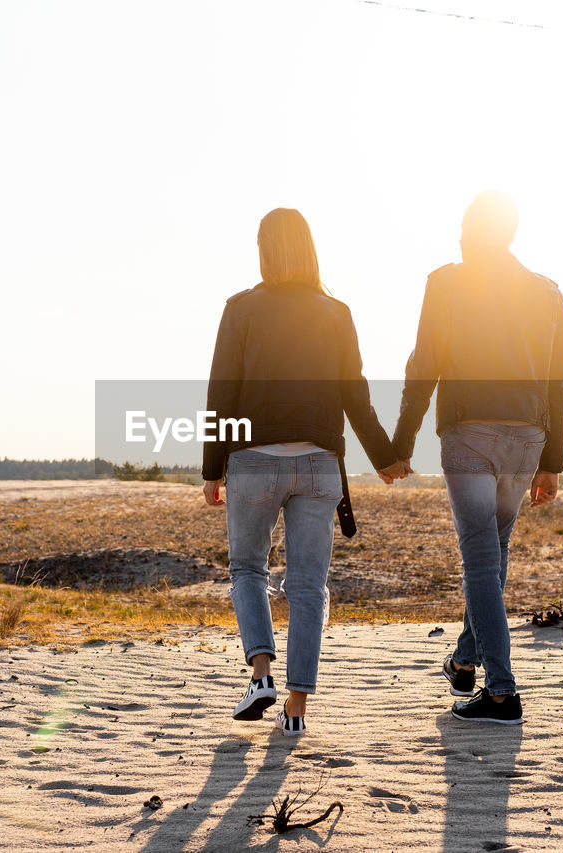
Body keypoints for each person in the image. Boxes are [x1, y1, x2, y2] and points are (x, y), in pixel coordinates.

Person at [202, 207, 409, 737]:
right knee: (309, 586)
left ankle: (261, 674)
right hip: (319, 465)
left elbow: (221, 393)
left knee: (248, 569)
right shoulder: (334, 312)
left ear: (264, 250)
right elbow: (354, 395)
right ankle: (296, 708)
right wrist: (384, 457)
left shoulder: (240, 308)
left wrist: (211, 469)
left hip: (252, 461)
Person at [391, 191, 563, 725]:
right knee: (492, 550)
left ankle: (501, 691)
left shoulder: (446, 283)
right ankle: (466, 660)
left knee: (480, 557)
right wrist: (552, 462)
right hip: (527, 438)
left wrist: (400, 444)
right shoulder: (550, 294)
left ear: (471, 230)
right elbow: (561, 385)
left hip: (470, 434)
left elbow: (423, 365)